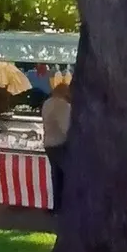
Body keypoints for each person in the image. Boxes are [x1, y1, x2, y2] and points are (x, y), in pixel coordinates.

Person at [41, 77, 71, 211]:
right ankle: (65, 207)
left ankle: (56, 206)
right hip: (60, 144)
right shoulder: (63, 105)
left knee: (56, 176)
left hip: (48, 143)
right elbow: (66, 128)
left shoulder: (47, 103)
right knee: (66, 177)